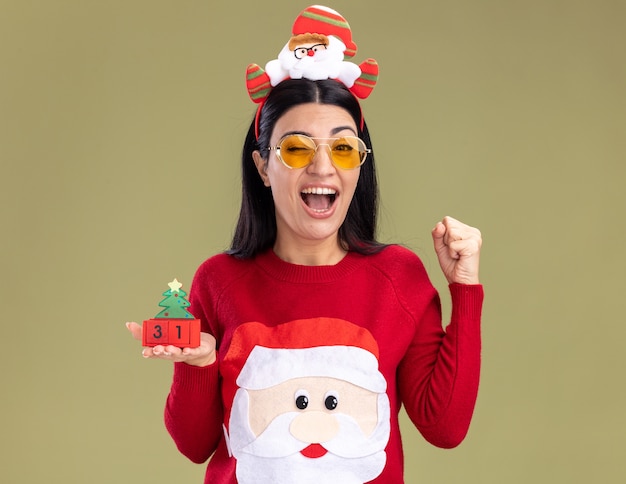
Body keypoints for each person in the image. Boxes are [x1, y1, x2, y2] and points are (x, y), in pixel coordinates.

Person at [127, 5, 483, 483]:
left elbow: (445, 427)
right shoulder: (218, 281)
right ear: (262, 167)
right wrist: (199, 361)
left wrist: (465, 288)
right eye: (296, 148)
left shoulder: (399, 277)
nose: (322, 167)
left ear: (359, 164)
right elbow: (193, 446)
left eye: (342, 147)